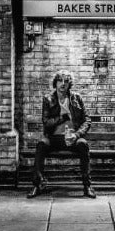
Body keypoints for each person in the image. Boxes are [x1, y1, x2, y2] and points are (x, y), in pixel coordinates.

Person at [29, 69, 96, 199]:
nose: (63, 84)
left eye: (66, 81)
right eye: (60, 81)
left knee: (83, 144)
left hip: (72, 138)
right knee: (41, 145)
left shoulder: (77, 98)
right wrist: (62, 118)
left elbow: (87, 120)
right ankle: (37, 185)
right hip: (54, 138)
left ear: (69, 84)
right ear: (56, 83)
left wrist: (76, 135)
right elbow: (46, 121)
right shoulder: (48, 99)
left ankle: (87, 186)